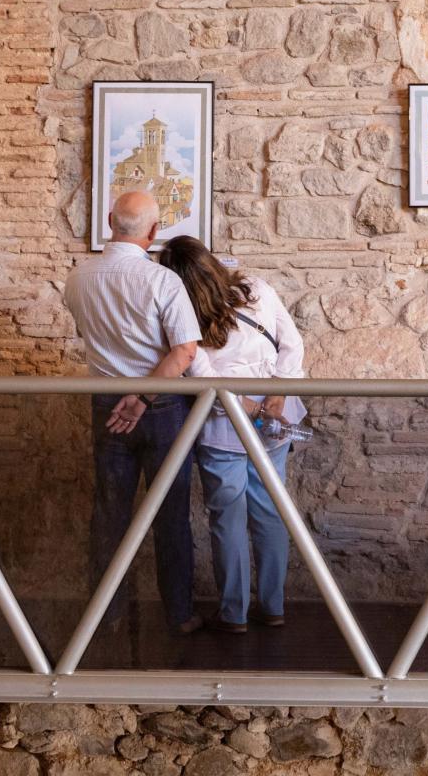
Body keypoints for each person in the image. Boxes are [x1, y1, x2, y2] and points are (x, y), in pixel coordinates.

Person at [64, 191, 204, 635]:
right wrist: (142, 398)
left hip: (107, 404)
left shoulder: (79, 277)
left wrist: (125, 394)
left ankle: (107, 615)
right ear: (154, 232)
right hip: (160, 406)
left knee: (108, 511)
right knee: (170, 511)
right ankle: (179, 615)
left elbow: (87, 333)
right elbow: (184, 352)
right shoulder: (163, 282)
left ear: (109, 221)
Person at [156, 236, 306, 634]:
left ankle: (234, 614)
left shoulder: (183, 318)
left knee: (227, 520)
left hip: (222, 425)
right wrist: (276, 398)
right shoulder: (257, 289)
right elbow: (292, 344)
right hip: (274, 418)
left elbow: (205, 380)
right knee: (271, 512)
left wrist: (255, 406)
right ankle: (273, 606)